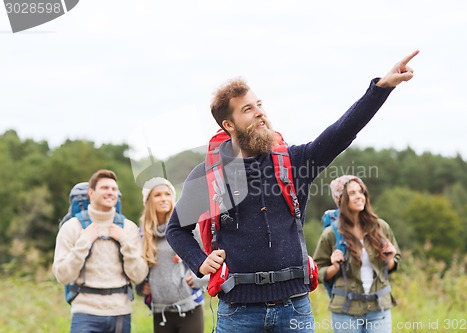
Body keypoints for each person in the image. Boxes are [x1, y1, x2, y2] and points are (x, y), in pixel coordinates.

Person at [166, 50, 418, 332]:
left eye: (259, 104)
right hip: (237, 313)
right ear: (229, 124)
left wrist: (381, 89)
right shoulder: (208, 176)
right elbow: (175, 230)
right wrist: (200, 262)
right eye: (247, 109)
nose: (260, 111)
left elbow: (341, 133)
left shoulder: (294, 162)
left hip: (294, 309)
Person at [53, 169, 149, 333]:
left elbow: (139, 275)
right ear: (91, 192)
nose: (110, 192)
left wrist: (125, 241)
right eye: (105, 188)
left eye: (113, 189)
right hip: (85, 313)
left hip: (120, 313)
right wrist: (84, 242)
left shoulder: (128, 228)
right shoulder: (72, 227)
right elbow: (62, 275)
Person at [313, 175, 401, 333]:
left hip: (379, 309)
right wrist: (334, 267)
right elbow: (316, 271)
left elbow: (393, 264)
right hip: (345, 311)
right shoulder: (331, 234)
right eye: (352, 193)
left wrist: (390, 259)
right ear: (341, 199)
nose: (359, 196)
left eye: (361, 191)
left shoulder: (381, 227)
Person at [136, 177, 208, 333]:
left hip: (190, 307)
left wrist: (199, 278)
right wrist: (141, 286)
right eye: (158, 195)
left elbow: (207, 255)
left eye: (168, 194)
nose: (164, 199)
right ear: (148, 201)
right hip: (160, 312)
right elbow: (137, 268)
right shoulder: (142, 234)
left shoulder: (185, 227)